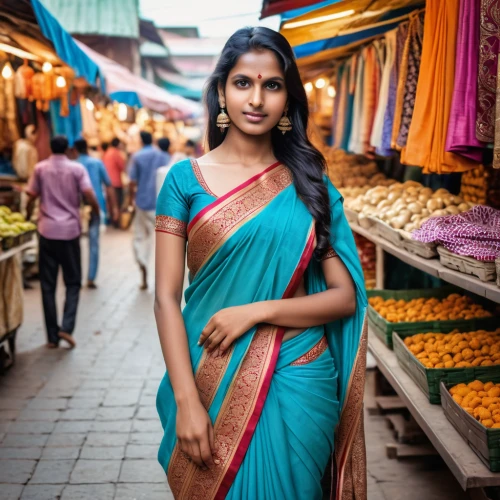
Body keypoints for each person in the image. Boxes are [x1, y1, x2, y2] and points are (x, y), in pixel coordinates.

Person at [154, 27, 368, 500]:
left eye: (272, 85)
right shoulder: (184, 181)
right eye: (242, 83)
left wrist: (255, 311)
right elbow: (165, 298)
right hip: (208, 375)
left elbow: (343, 297)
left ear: (288, 96)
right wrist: (188, 401)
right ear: (222, 92)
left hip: (299, 375)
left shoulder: (311, 185)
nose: (257, 98)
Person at [26, 136, 100, 349]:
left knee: (47, 285)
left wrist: (27, 211)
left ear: (50, 147)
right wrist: (95, 211)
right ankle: (66, 328)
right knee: (73, 282)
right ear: (68, 149)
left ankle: (51, 337)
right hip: (69, 233)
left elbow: (31, 194)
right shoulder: (76, 169)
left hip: (47, 232)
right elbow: (89, 193)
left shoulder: (40, 168)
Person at [74, 138, 118, 289]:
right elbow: (109, 186)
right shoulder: (96, 163)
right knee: (94, 243)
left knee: (76, 243)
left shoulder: (74, 165)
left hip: (77, 209)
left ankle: (77, 276)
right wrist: (114, 208)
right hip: (96, 207)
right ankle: (91, 277)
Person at [129, 131, 170, 290]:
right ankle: (165, 279)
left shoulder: (137, 156)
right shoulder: (163, 156)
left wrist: (130, 202)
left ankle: (143, 267)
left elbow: (132, 181)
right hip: (161, 204)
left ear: (140, 140)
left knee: (140, 237)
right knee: (165, 241)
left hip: (142, 202)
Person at [102, 138, 125, 212]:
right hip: (116, 182)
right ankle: (117, 222)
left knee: (111, 204)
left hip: (107, 182)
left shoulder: (106, 153)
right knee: (118, 203)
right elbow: (122, 166)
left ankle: (112, 220)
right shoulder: (116, 153)